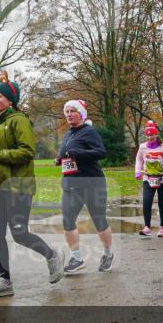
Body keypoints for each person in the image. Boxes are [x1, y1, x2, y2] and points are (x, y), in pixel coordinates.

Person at [0, 73, 64, 298]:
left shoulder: (19, 120)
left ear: (11, 99)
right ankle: (4, 279)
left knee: (19, 233)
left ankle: (52, 255)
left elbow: (27, 152)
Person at [57, 100, 113, 274]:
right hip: (71, 184)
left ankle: (107, 253)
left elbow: (101, 152)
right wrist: (60, 159)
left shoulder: (89, 131)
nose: (69, 114)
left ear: (81, 114)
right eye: (67, 111)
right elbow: (68, 154)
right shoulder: (68, 134)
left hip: (92, 183)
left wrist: (78, 154)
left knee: (99, 220)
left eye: (73, 111)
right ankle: (76, 257)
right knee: (67, 220)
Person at [134, 121, 163, 238]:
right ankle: (147, 227)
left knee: (162, 203)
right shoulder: (143, 147)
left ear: (156, 135)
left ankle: (162, 227)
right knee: (147, 201)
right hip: (148, 178)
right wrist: (138, 172)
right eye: (148, 135)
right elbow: (139, 160)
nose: (150, 137)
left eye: (152, 135)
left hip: (162, 179)